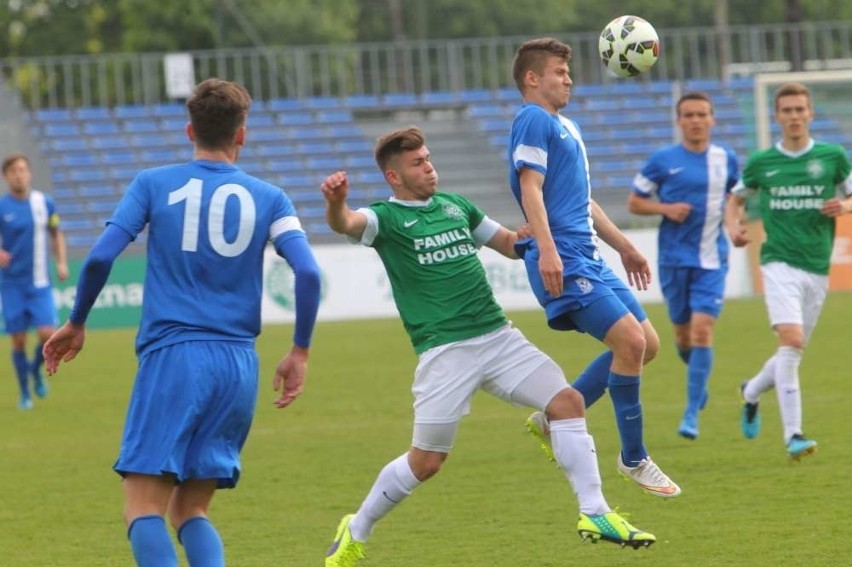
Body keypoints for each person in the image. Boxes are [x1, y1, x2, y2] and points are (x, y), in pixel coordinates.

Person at [321, 126, 655, 567]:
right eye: (417, 163)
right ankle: (357, 528)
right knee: (426, 461)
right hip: (445, 352)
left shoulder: (457, 206)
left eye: (429, 158)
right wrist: (336, 202)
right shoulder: (386, 218)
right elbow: (346, 223)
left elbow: (509, 245)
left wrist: (537, 237)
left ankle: (596, 512)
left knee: (568, 402)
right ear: (394, 177)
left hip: (498, 337)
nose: (429, 167)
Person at [42, 78, 322, 567]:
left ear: (190, 129)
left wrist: (77, 321)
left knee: (141, 507)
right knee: (190, 508)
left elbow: (100, 257)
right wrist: (299, 349)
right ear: (242, 135)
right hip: (237, 366)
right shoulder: (271, 197)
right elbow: (308, 271)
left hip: (175, 356)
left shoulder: (153, 183)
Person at [507, 37, 680, 498]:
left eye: (569, 72)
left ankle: (554, 415)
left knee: (648, 345)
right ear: (531, 78)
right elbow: (532, 188)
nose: (569, 79)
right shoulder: (532, 119)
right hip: (564, 255)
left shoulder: (567, 127)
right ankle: (634, 457)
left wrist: (624, 246)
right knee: (630, 340)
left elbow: (580, 199)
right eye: (559, 72)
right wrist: (547, 250)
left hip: (589, 254)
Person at [725, 81, 852, 460]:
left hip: (816, 267)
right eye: (788, 110)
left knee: (791, 350)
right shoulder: (763, 162)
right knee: (793, 343)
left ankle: (750, 392)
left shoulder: (832, 157)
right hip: (777, 261)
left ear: (810, 113)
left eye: (801, 109)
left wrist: (845, 207)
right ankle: (794, 435)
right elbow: (735, 199)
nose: (795, 116)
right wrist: (735, 225)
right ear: (777, 116)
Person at [627, 92, 740, 440]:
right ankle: (698, 382)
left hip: (712, 259)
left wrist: (735, 226)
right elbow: (635, 202)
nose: (695, 120)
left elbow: (736, 197)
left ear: (712, 119)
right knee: (682, 337)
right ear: (679, 121)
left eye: (702, 114)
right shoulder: (662, 160)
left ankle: (691, 413)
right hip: (674, 259)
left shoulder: (727, 159)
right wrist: (666, 209)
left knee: (702, 331)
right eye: (688, 115)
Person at [1, 153, 68, 410]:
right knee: (18, 340)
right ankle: (25, 393)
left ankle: (35, 370)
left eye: (23, 169)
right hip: (11, 285)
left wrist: (61, 262)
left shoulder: (44, 203)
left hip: (39, 283)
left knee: (48, 335)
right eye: (14, 171)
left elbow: (56, 233)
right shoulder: (2, 207)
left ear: (29, 173)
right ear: (6, 177)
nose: (19, 174)